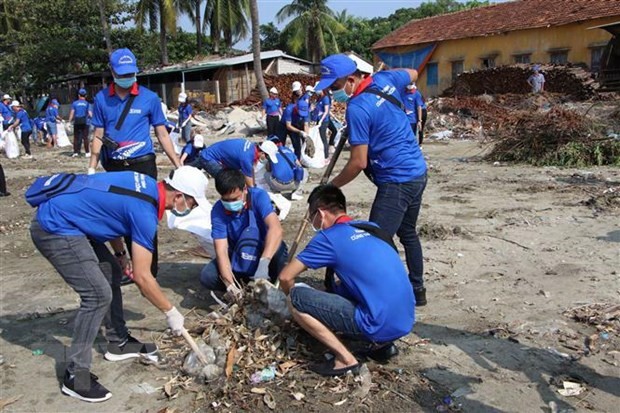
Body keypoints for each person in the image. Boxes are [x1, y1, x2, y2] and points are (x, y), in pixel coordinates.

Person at [28, 165, 208, 402]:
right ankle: (76, 376)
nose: (190, 208)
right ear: (179, 196)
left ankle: (119, 342)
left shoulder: (143, 183)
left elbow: (109, 212)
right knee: (97, 295)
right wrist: (170, 311)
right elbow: (144, 278)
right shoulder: (145, 213)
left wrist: (120, 253)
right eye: (192, 203)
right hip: (55, 227)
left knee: (111, 273)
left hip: (76, 222)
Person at [314, 54, 428, 306]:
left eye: (334, 87)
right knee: (407, 232)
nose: (333, 94)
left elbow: (358, 162)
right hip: (418, 171)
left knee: (374, 244)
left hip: (397, 180)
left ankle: (380, 297)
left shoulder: (357, 109)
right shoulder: (386, 78)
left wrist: (331, 186)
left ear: (351, 80)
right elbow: (413, 72)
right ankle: (417, 290)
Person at [279, 185, 414, 376]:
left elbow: (285, 276)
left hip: (378, 323)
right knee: (344, 286)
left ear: (320, 213)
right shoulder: (371, 228)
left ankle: (345, 359)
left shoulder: (328, 238)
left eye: (312, 218)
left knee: (297, 298)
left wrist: (290, 301)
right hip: (405, 319)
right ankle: (381, 346)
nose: (313, 223)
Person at [89, 47, 181, 280]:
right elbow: (99, 134)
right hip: (115, 167)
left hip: (143, 165)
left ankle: (150, 270)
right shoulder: (101, 99)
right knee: (120, 217)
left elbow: (162, 134)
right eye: (121, 73)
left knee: (145, 217)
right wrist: (91, 166)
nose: (127, 78)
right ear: (112, 71)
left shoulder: (149, 98)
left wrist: (178, 164)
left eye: (130, 73)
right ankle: (128, 266)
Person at [200, 169, 288, 301]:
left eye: (235, 199)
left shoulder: (258, 197)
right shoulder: (218, 211)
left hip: (263, 252)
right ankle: (241, 288)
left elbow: (276, 229)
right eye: (226, 200)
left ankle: (269, 283)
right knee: (208, 276)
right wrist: (229, 284)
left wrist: (264, 263)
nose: (230, 204)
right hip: (238, 255)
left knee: (280, 250)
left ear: (245, 189)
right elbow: (221, 250)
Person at [195, 137, 278, 187]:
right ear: (262, 152)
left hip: (215, 155)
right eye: (267, 157)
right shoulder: (247, 157)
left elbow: (251, 171)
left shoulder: (252, 147)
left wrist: (254, 184)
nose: (266, 159)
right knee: (227, 183)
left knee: (235, 180)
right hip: (209, 158)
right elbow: (250, 184)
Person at [278, 90, 308, 160]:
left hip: (295, 125)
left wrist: (306, 135)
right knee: (280, 144)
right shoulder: (289, 109)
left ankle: (297, 162)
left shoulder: (306, 111)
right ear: (296, 108)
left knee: (297, 145)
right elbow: (288, 126)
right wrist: (299, 132)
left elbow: (306, 125)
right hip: (283, 125)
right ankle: (280, 159)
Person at [68, 89, 92, 157]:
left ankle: (76, 152)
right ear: (86, 96)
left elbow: (72, 112)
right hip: (86, 123)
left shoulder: (75, 103)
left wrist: (69, 121)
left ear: (78, 95)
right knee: (85, 138)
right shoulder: (87, 104)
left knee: (76, 137)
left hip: (77, 122)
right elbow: (90, 114)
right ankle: (87, 152)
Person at [315, 89, 338, 160]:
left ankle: (326, 156)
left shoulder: (325, 98)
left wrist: (321, 120)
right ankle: (325, 151)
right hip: (320, 120)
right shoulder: (319, 99)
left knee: (324, 138)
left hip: (324, 120)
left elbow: (326, 111)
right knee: (322, 137)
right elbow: (321, 110)